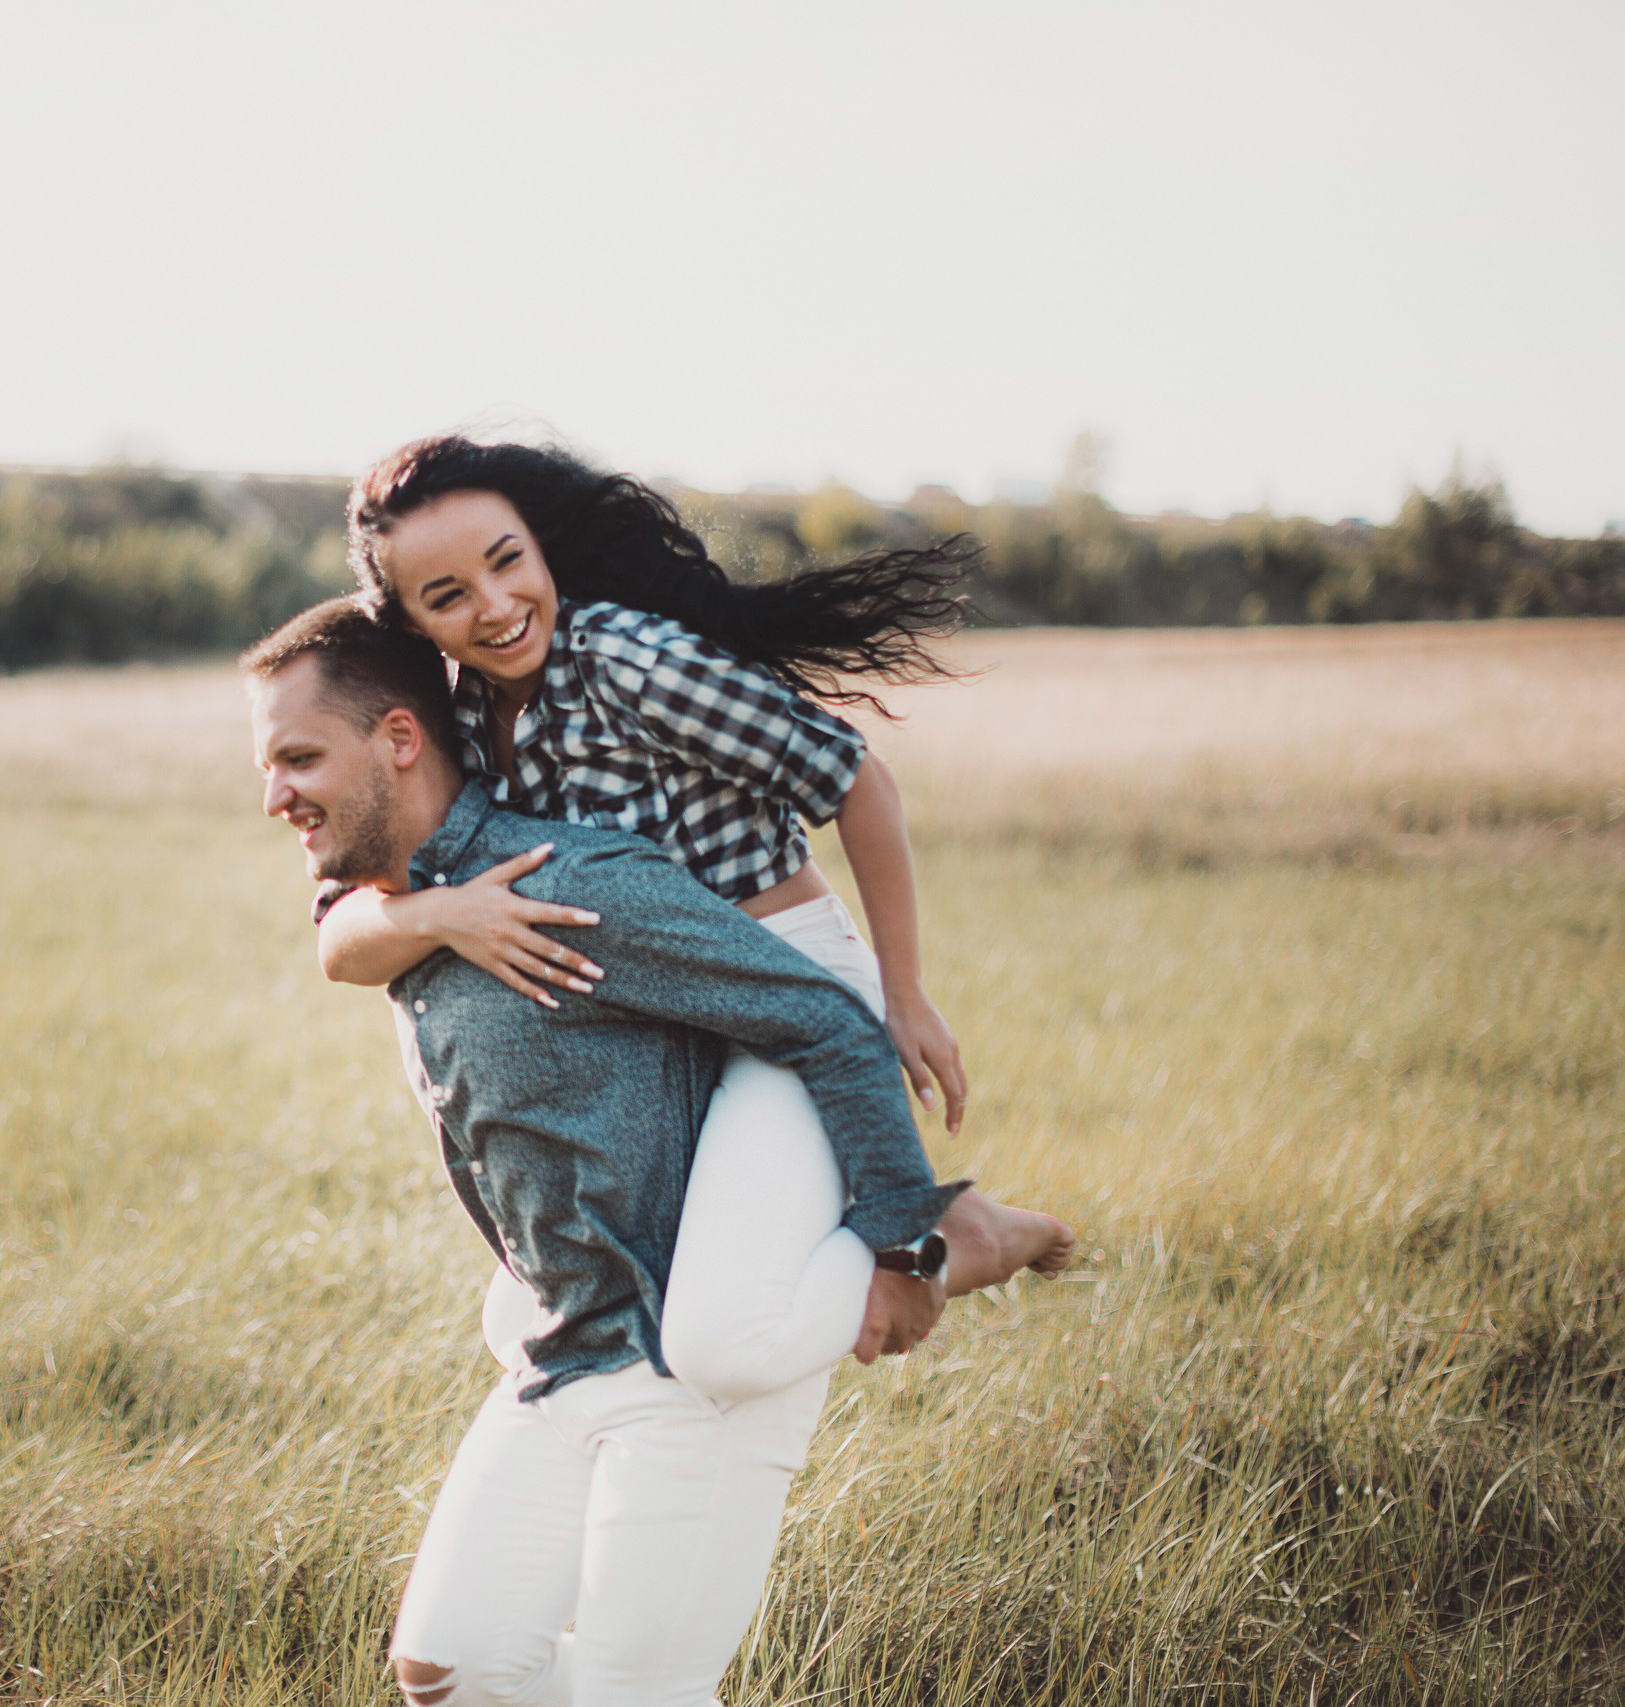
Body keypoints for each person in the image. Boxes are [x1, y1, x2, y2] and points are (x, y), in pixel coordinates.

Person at [244, 599, 958, 1707]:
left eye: (298, 757)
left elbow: (824, 1018)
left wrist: (910, 1248)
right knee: (450, 1671)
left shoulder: (566, 883)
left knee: (638, 1697)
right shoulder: (394, 896)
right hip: (563, 1343)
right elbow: (336, 943)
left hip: (682, 1367)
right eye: (267, 764)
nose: (273, 795)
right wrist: (434, 917)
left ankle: (971, 1240)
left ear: (398, 739)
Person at [317, 435, 1071, 1402]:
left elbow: (853, 780)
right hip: (671, 1013)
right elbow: (350, 917)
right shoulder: (464, 715)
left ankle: (948, 1249)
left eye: (508, 562)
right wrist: (438, 913)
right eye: (448, 594)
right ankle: (941, 1222)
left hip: (796, 988)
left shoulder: (630, 660)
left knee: (721, 1336)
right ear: (414, 623)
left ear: (541, 549)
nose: (496, 606)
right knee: (522, 1313)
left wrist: (905, 991)